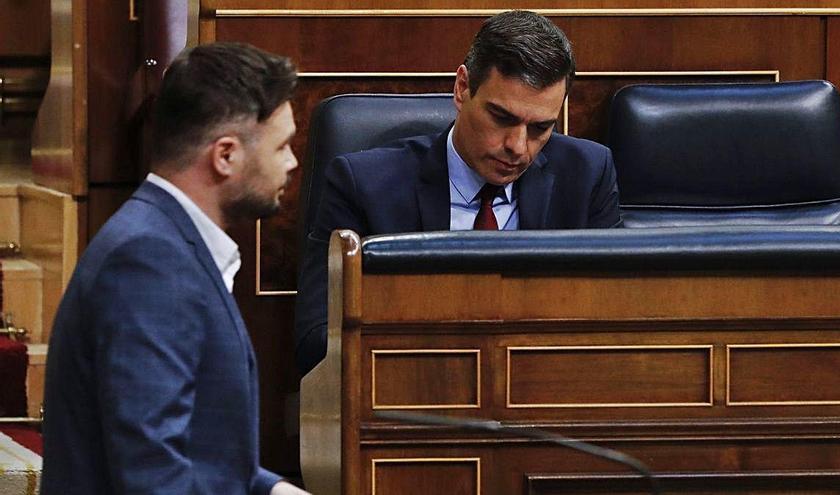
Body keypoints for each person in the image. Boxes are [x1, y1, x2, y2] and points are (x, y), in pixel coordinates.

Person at [42, 42, 309, 495]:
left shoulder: (166, 243)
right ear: (225, 155)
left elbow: (206, 453)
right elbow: (151, 473)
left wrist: (272, 489)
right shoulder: (149, 262)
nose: (292, 162)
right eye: (282, 145)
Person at [294, 10, 622, 376]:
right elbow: (316, 339)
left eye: (540, 128)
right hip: (412, 397)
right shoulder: (364, 184)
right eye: (501, 118)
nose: (518, 147)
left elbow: (613, 322)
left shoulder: (586, 173)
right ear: (463, 88)